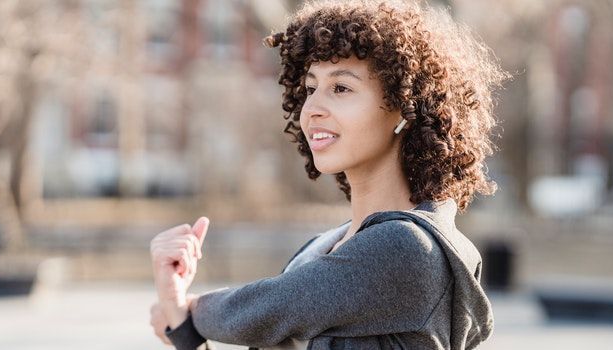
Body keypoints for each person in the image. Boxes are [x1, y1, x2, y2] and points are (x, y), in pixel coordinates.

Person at [149, 0, 509, 349]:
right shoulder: (321, 249)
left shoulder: (409, 249)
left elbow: (268, 309)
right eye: (309, 88)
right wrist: (180, 321)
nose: (312, 109)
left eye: (340, 88)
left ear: (404, 107)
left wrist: (190, 310)